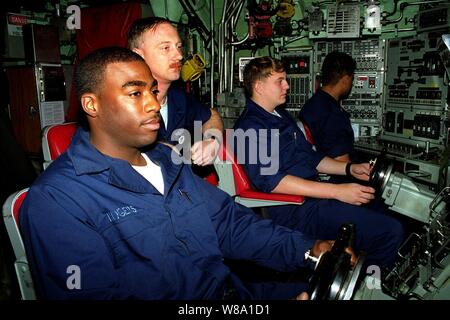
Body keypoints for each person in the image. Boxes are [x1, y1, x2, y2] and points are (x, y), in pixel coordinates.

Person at [20, 47, 338, 300]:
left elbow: (230, 225)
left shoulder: (166, 161)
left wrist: (308, 250)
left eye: (153, 92)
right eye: (135, 93)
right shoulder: (57, 199)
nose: (153, 105)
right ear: (92, 105)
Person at [233, 56, 404, 270]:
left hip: (313, 199)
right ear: (259, 86)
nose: (287, 85)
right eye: (280, 81)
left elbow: (312, 158)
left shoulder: (280, 116)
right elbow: (272, 182)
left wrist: (349, 168)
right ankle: (359, 289)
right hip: (294, 209)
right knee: (390, 231)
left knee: (381, 210)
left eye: (286, 79)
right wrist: (337, 191)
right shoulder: (250, 128)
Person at [128, 17, 223, 167]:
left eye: (179, 47)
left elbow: (211, 116)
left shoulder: (177, 98)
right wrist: (161, 149)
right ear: (139, 55)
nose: (179, 56)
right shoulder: (121, 104)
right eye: (166, 48)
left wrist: (212, 141)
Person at [299, 51, 356, 163]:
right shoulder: (333, 115)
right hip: (333, 177)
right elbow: (342, 163)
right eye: (352, 78)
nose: (351, 83)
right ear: (345, 79)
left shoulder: (313, 103)